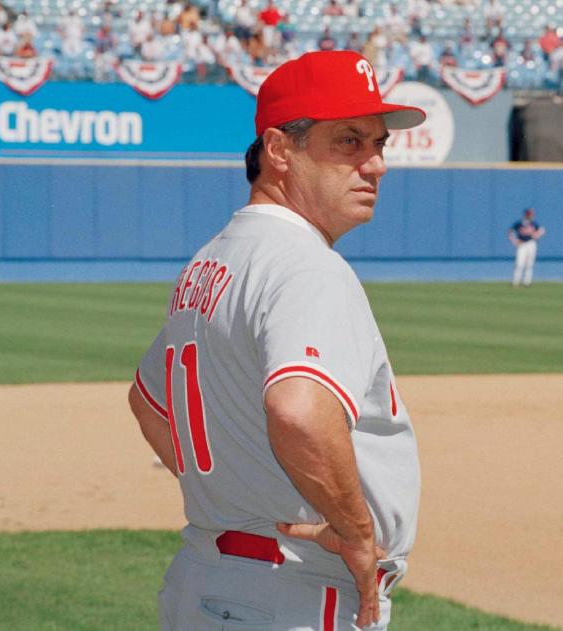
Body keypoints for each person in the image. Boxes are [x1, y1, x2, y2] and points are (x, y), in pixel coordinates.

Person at [128, 50, 424, 631]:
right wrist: (358, 535)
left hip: (205, 580)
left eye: (379, 143)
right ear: (280, 150)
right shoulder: (306, 266)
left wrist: (236, 499)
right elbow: (299, 410)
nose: (376, 164)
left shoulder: (213, 260)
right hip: (293, 592)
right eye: (348, 142)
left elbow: (147, 401)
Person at [508, 208, 545, 287]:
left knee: (529, 264)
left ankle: (527, 282)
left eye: (531, 214)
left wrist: (536, 235)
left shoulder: (534, 223)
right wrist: (514, 241)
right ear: (526, 215)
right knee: (519, 263)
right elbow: (510, 231)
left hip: (531, 243)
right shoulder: (519, 223)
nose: (531, 215)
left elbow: (542, 230)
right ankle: (515, 282)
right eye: (529, 214)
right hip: (522, 244)